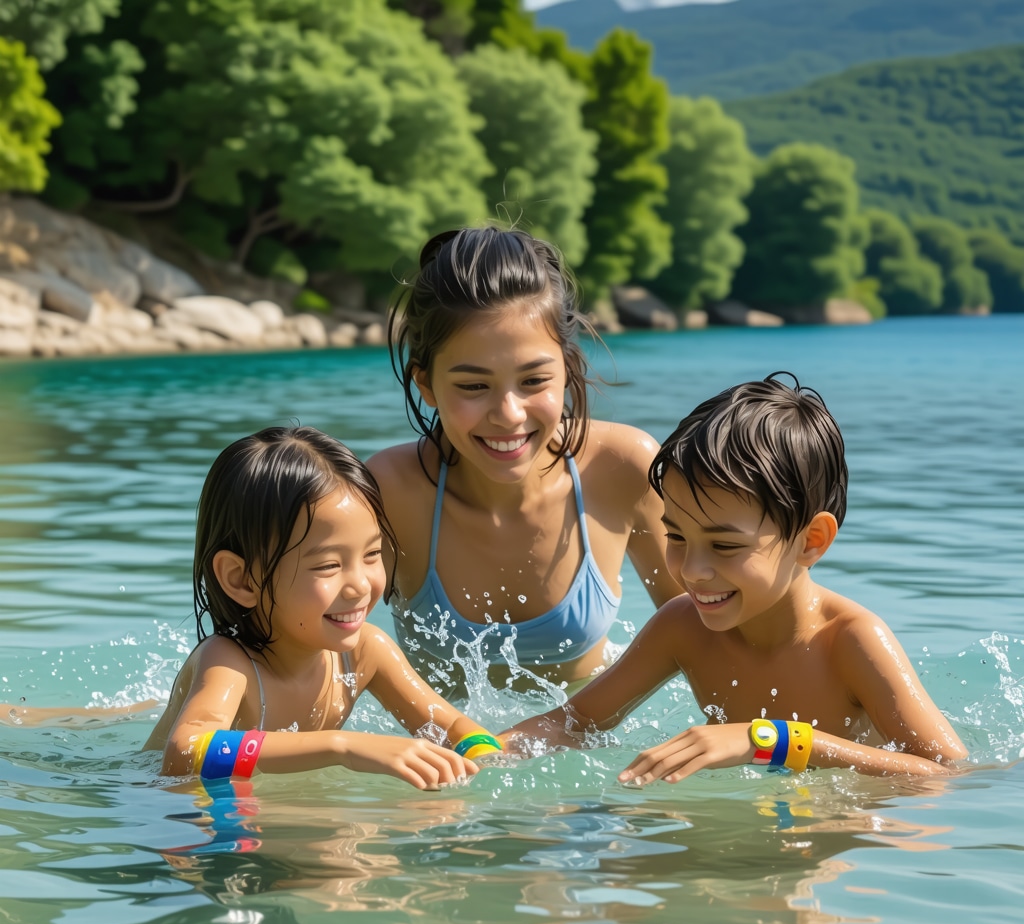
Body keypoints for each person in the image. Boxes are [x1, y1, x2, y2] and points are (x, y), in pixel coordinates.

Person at [501, 374, 968, 778]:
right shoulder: (682, 627)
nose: (691, 571)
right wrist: (471, 755)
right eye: (677, 537)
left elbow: (945, 775)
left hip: (831, 840)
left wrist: (772, 742)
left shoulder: (850, 642)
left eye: (725, 546)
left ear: (811, 541)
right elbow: (571, 722)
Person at [367, 226, 682, 695]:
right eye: (474, 386)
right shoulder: (388, 494)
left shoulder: (624, 470)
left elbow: (704, 637)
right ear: (426, 385)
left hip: (588, 750)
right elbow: (307, 650)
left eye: (534, 381)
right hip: (446, 761)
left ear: (567, 370)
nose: (508, 414)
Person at [140, 425, 502, 788]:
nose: (361, 584)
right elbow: (188, 751)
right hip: (159, 805)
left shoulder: (366, 653)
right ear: (242, 579)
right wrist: (341, 746)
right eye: (329, 565)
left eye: (372, 554)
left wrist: (482, 756)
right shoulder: (230, 662)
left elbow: (454, 727)